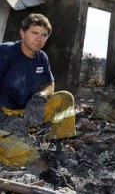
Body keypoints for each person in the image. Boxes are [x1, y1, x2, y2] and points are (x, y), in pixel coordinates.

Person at [0, 13, 76, 167]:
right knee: (26, 156)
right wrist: (2, 119)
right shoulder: (5, 52)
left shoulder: (42, 58)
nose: (39, 39)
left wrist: (40, 98)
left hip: (28, 113)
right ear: (23, 33)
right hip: (3, 114)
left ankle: (58, 146)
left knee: (65, 98)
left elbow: (50, 83)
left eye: (44, 35)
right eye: (34, 33)